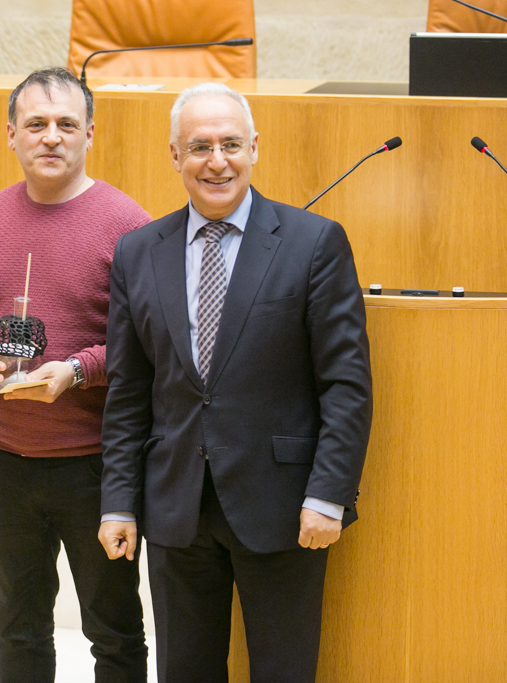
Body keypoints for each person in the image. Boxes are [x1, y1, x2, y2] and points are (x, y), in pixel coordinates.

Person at [98, 83, 373, 682]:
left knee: (282, 671)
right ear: (174, 155)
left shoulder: (314, 243)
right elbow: (127, 394)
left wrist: (328, 494)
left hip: (284, 509)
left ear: (255, 148)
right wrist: (119, 501)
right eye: (199, 146)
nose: (216, 161)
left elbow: (346, 384)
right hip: (175, 509)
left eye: (230, 144)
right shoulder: (138, 253)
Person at [0, 67, 149, 683]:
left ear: (89, 135)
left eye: (65, 125)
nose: (50, 137)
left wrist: (80, 370)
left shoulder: (127, 222)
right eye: (36, 125)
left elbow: (149, 342)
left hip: (97, 465)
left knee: (114, 632)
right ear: (11, 135)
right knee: (19, 629)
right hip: (4, 465)